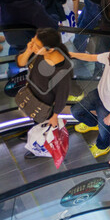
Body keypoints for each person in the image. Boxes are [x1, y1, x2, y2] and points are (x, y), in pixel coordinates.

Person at [70, 45, 110, 158]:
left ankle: (102, 147)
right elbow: (90, 58)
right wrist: (72, 54)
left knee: (105, 132)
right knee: (75, 111)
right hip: (98, 94)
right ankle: (93, 123)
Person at [17, 29, 73, 159]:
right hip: (33, 97)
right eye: (33, 42)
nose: (33, 46)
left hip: (45, 106)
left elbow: (62, 96)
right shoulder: (39, 53)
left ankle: (37, 146)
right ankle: (33, 133)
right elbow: (20, 62)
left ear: (51, 49)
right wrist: (29, 50)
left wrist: (55, 115)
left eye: (37, 45)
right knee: (36, 121)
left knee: (42, 125)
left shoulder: (62, 69)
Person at [0, 0, 57, 75]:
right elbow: (51, 27)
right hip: (25, 40)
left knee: (14, 54)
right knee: (25, 56)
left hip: (9, 33)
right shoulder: (33, 8)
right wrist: (55, 17)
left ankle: (12, 73)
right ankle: (22, 75)